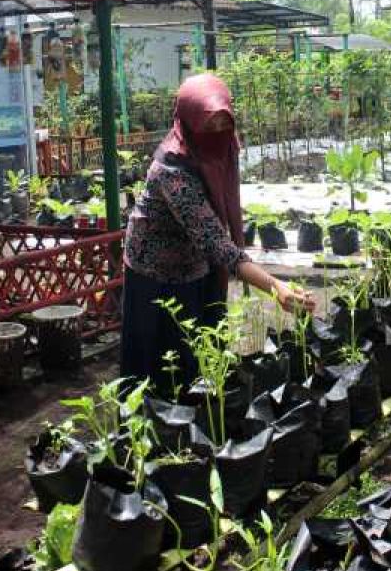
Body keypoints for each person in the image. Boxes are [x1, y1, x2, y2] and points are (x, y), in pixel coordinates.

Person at [121, 74, 315, 394]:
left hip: (197, 261)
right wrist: (275, 286)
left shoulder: (225, 146)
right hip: (155, 271)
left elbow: (221, 216)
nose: (217, 134)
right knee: (163, 365)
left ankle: (200, 420)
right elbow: (216, 242)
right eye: (208, 126)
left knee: (203, 349)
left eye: (224, 125)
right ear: (186, 121)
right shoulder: (171, 170)